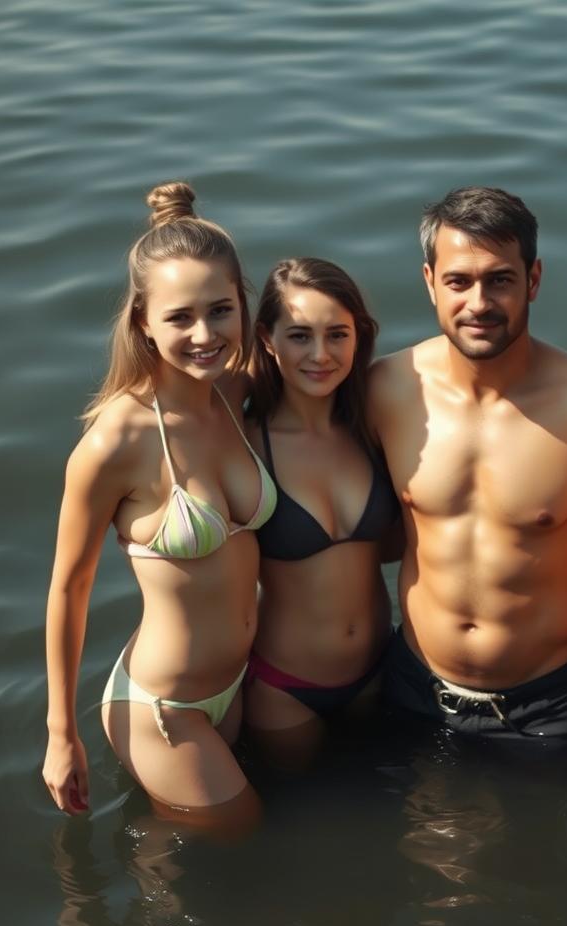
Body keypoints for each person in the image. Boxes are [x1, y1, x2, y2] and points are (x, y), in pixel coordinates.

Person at [43, 182, 273, 829]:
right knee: (241, 837)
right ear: (142, 321)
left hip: (239, 688)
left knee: (200, 861)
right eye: (179, 318)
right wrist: (62, 736)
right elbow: (69, 587)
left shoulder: (236, 390)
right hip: (165, 711)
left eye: (220, 310)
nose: (205, 334)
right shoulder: (117, 441)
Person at [368, 185, 567, 742]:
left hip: (546, 706)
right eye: (458, 281)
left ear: (533, 280)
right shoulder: (385, 390)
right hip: (413, 686)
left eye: (500, 280)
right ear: (429, 282)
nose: (479, 303)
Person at [242, 258, 401, 768]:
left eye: (337, 335)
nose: (320, 354)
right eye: (299, 336)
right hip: (286, 691)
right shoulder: (245, 443)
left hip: (379, 671)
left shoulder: (374, 426)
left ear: (359, 336)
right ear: (267, 339)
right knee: (304, 827)